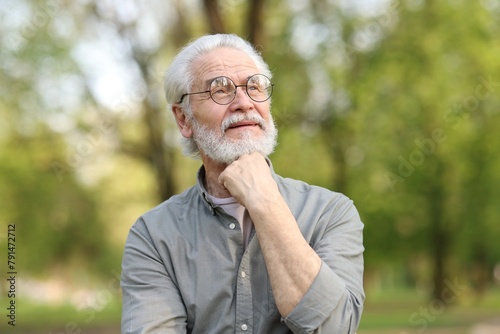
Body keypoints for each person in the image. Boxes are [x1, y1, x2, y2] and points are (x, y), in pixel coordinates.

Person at [121, 33, 365, 334]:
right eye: (219, 90)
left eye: (254, 86)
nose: (243, 102)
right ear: (184, 119)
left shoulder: (331, 213)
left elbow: (335, 329)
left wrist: (265, 202)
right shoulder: (153, 235)